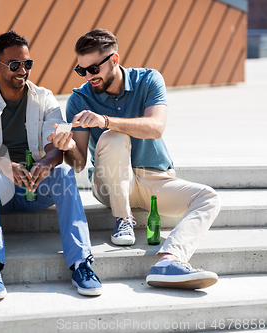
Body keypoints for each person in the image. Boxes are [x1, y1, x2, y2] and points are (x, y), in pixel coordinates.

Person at [49, 29, 221, 290]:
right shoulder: (80, 99)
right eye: (81, 70)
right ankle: (123, 219)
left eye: (94, 68)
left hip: (156, 179)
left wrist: (105, 120)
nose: (88, 76)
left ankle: (169, 260)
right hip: (112, 185)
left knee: (209, 198)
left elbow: (156, 127)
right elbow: (79, 163)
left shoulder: (149, 79)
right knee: (113, 138)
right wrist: (69, 146)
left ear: (114, 60)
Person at [0, 30, 102, 300]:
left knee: (62, 171)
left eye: (28, 64)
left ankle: (81, 263)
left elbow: (57, 144)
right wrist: (5, 166)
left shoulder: (45, 97)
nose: (23, 70)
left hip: (36, 185)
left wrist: (48, 162)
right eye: (15, 65)